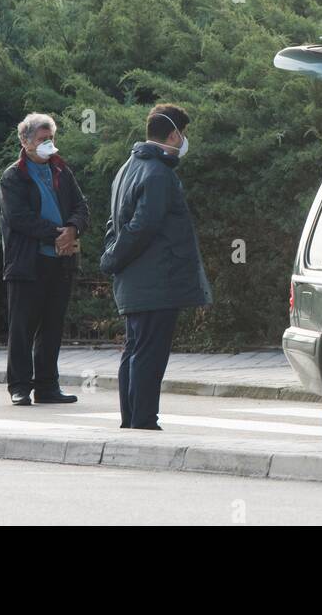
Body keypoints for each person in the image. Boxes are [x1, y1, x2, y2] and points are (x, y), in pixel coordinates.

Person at [99, 104, 211, 430]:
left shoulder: (128, 167)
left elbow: (114, 224)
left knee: (134, 349)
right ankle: (144, 421)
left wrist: (112, 257)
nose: (184, 141)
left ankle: (131, 419)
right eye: (183, 134)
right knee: (149, 353)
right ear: (174, 134)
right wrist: (113, 258)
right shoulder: (160, 174)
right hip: (157, 282)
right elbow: (142, 227)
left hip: (135, 281)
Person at [0, 113, 90, 406]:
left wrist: (73, 228)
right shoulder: (14, 176)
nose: (47, 144)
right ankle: (20, 386)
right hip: (28, 262)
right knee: (23, 327)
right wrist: (57, 234)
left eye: (50, 138)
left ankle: (48, 386)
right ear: (25, 142)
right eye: (41, 139)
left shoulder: (62, 170)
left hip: (60, 262)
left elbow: (81, 205)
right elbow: (19, 218)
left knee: (52, 326)